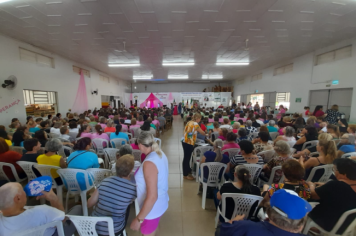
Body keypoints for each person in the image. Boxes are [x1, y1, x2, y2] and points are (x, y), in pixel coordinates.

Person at [218, 189, 312, 236]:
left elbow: (220, 232)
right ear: (300, 225)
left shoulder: (245, 227)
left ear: (269, 213)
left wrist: (233, 221)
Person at [0, 183, 82, 236]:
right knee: (78, 208)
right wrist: (54, 199)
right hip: (56, 233)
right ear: (18, 198)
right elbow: (62, 219)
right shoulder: (41, 211)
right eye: (23, 191)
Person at [88, 154, 136, 236]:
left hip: (94, 226)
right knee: (128, 206)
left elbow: (89, 204)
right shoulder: (132, 189)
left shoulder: (105, 181)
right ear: (131, 170)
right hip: (114, 229)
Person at [131, 133, 169, 236]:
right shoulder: (159, 153)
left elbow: (152, 196)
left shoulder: (149, 163)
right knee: (154, 230)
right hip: (160, 203)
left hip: (151, 209)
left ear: (141, 145)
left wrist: (139, 219)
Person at [308, 158, 356, 233]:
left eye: (335, 170)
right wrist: (325, 185)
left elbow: (312, 195)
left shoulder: (335, 185)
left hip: (326, 222)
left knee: (303, 193)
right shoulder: (339, 186)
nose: (334, 173)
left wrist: (311, 185)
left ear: (344, 175)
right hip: (345, 227)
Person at [182, 113, 207, 180]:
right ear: (197, 118)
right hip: (188, 142)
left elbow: (188, 132)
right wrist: (206, 134)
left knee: (187, 157)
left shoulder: (189, 122)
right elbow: (202, 132)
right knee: (187, 158)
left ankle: (188, 170)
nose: (200, 120)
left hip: (185, 141)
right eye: (200, 119)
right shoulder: (195, 124)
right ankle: (185, 174)